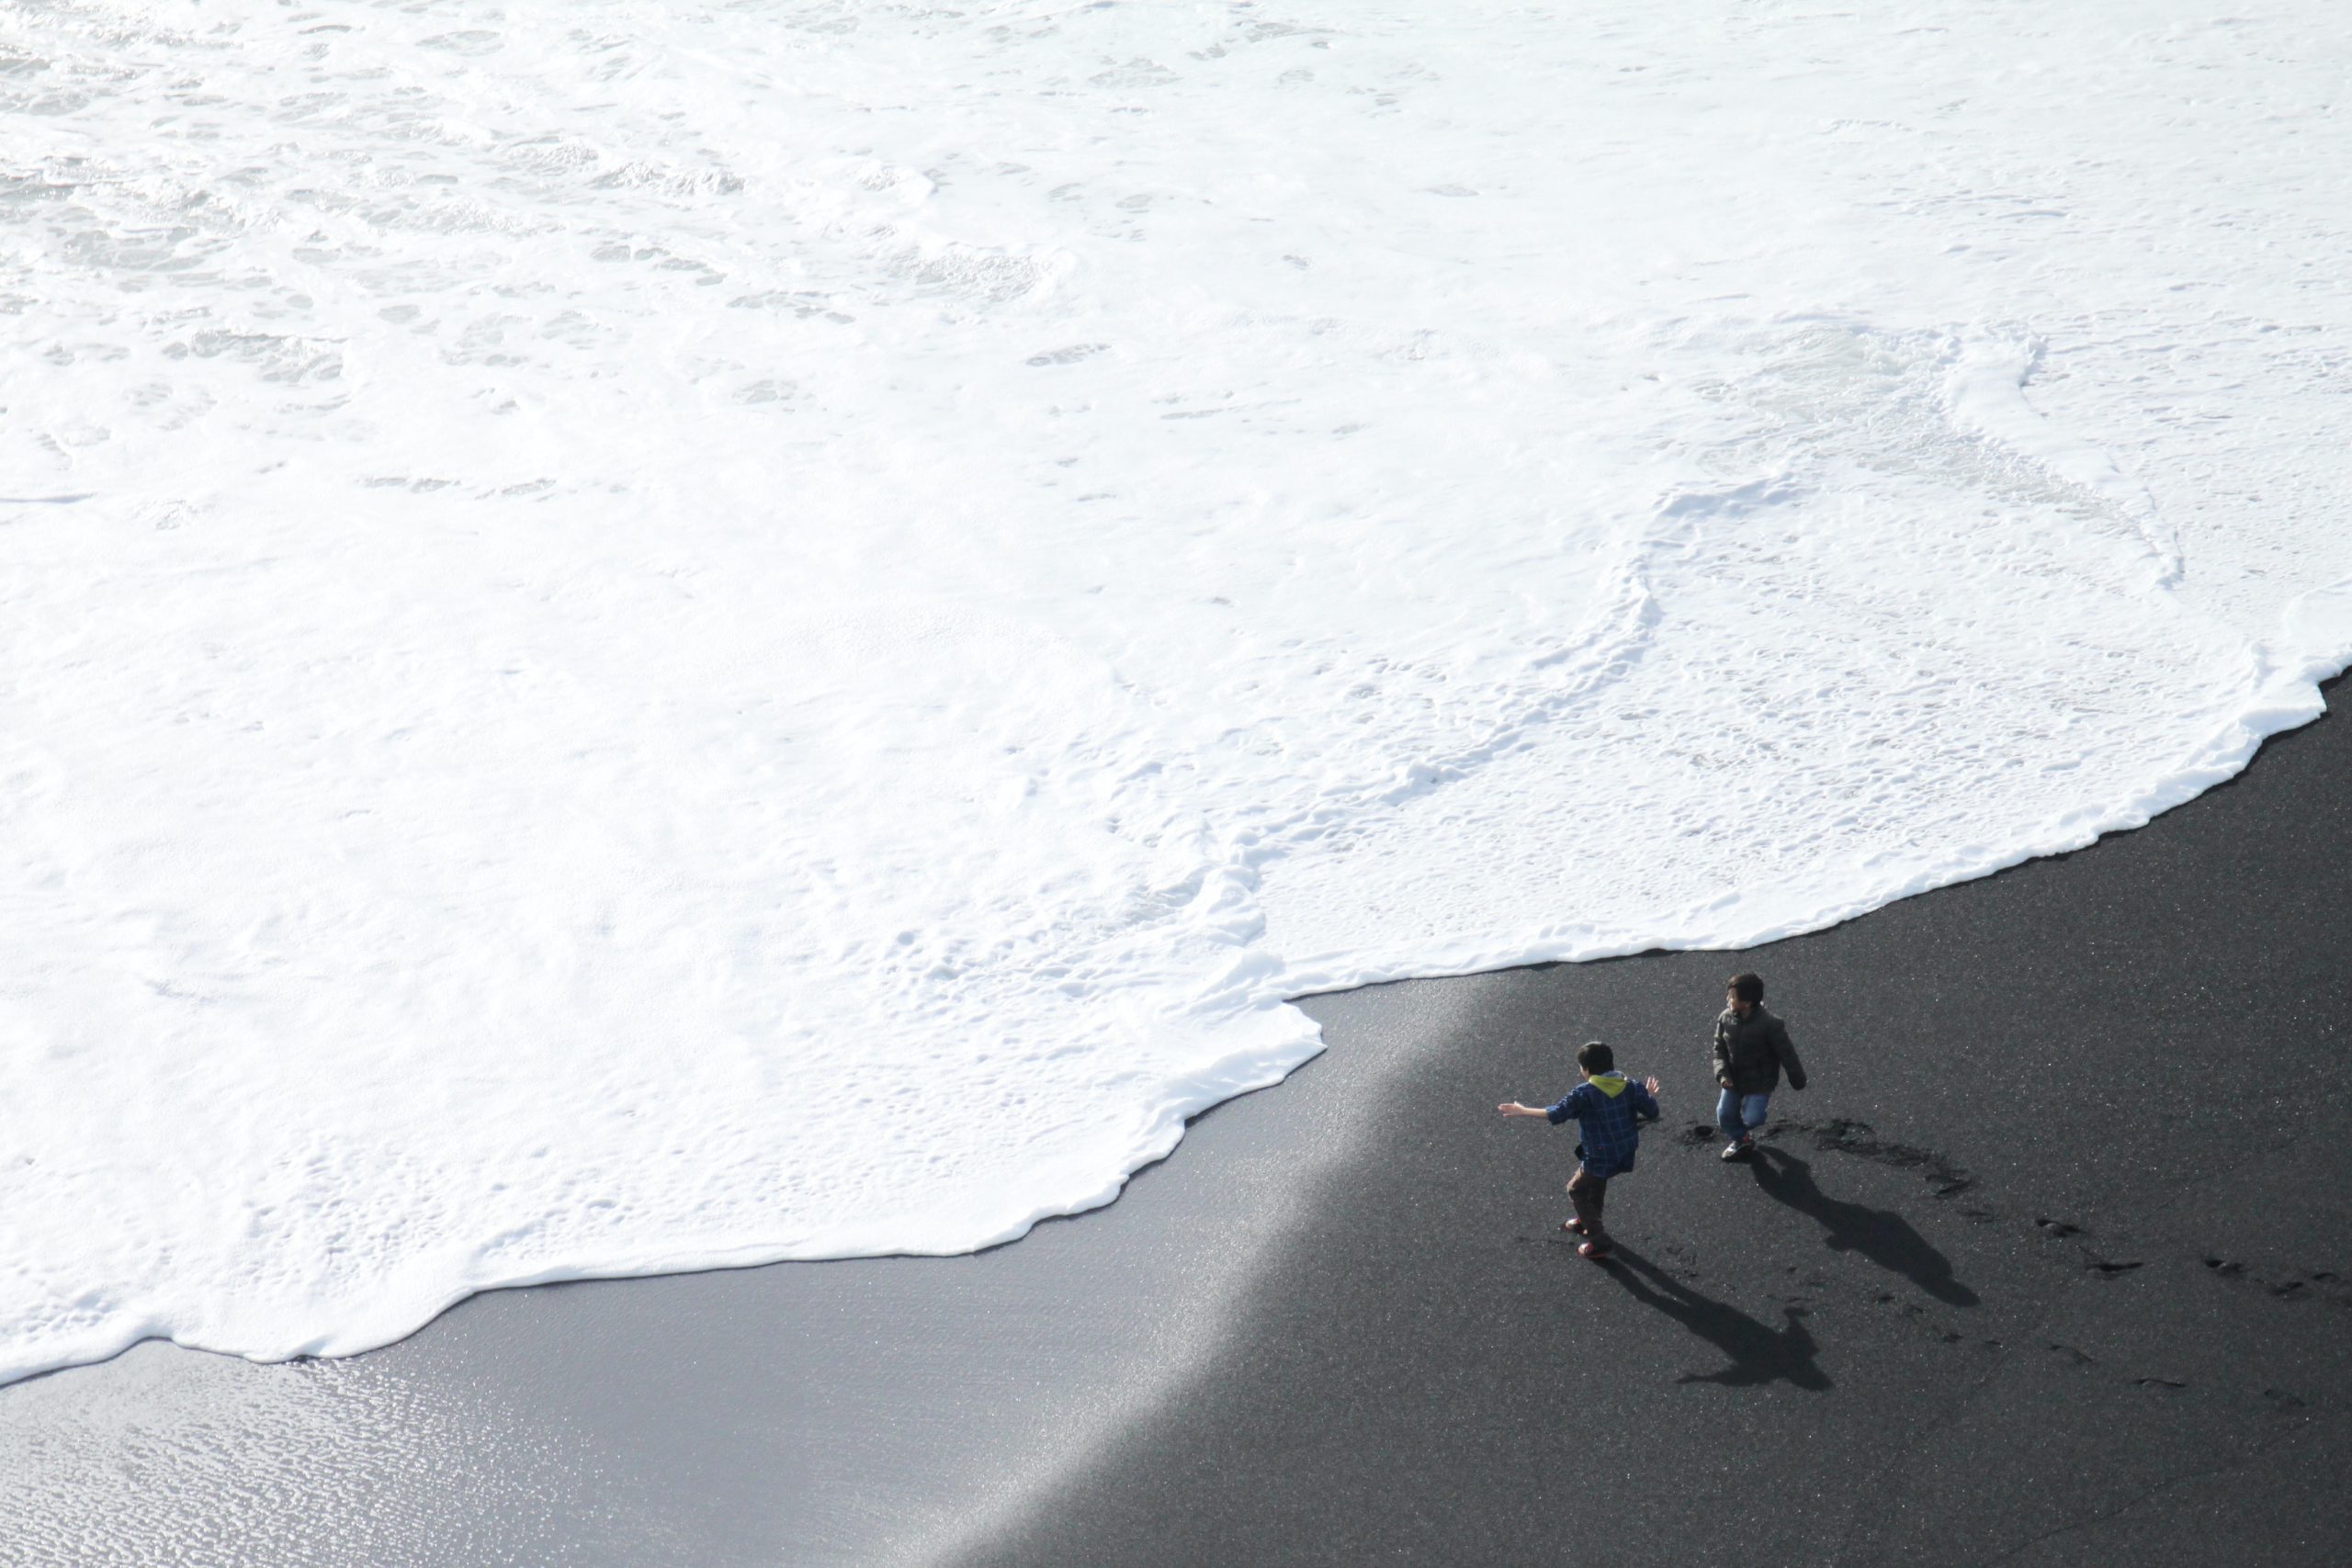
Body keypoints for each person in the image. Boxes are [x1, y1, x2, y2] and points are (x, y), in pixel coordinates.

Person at [1498, 1041, 1661, 1260]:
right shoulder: (1631, 1086)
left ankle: (1599, 1240)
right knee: (1597, 1182)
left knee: (1575, 1189)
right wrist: (1648, 1094)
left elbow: (1557, 1113)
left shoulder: (1585, 1093)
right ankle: (1589, 1219)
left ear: (1586, 1069)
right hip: (1624, 1150)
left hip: (1599, 1154)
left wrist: (1523, 1110)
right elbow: (1652, 1111)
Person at [1713, 971, 1805, 1161]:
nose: (1727, 999)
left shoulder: (1770, 1025)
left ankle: (1747, 1128)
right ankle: (1742, 1139)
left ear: (1746, 1003)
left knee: (1753, 1118)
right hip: (1733, 1080)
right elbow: (1719, 1049)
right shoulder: (1725, 1019)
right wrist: (1722, 1075)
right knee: (1724, 1116)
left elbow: (1787, 1053)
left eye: (1732, 996)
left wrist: (1797, 1077)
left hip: (1760, 1082)